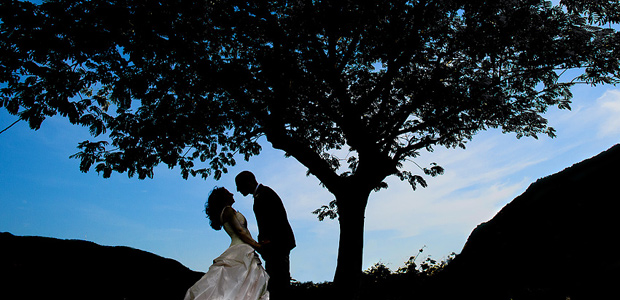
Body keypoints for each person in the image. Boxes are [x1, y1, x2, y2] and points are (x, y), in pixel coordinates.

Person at [184, 187, 269, 300]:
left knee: (239, 280)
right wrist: (258, 246)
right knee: (242, 279)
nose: (232, 193)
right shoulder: (228, 210)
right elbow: (241, 232)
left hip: (241, 247)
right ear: (224, 197)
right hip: (241, 248)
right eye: (228, 192)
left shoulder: (227, 211)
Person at [235, 171, 296, 300]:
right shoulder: (262, 194)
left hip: (277, 244)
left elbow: (275, 219)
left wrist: (269, 240)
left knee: (279, 280)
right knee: (275, 280)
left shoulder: (265, 195)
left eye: (239, 185)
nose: (238, 190)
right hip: (275, 244)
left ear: (249, 182)